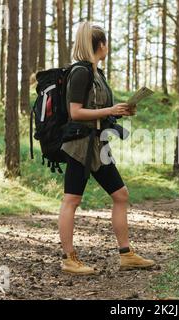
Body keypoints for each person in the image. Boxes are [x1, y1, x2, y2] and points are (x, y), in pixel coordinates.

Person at [58, 22, 156, 275]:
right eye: (106, 42)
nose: (107, 47)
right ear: (100, 45)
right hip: (81, 145)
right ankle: (69, 259)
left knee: (120, 194)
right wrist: (110, 110)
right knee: (72, 199)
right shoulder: (81, 72)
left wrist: (120, 111)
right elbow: (75, 112)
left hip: (99, 145)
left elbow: (98, 112)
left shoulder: (97, 73)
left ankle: (126, 255)